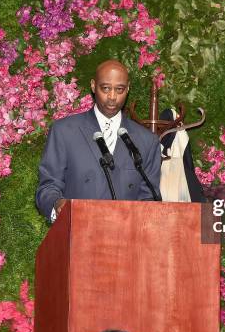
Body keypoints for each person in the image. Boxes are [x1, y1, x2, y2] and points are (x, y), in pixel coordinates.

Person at [35, 59, 162, 221]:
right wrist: (56, 203)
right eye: (106, 88)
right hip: (77, 234)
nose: (112, 97)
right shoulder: (64, 131)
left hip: (127, 239)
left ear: (128, 89)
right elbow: (47, 186)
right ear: (93, 86)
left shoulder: (147, 141)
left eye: (120, 89)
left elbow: (149, 199)